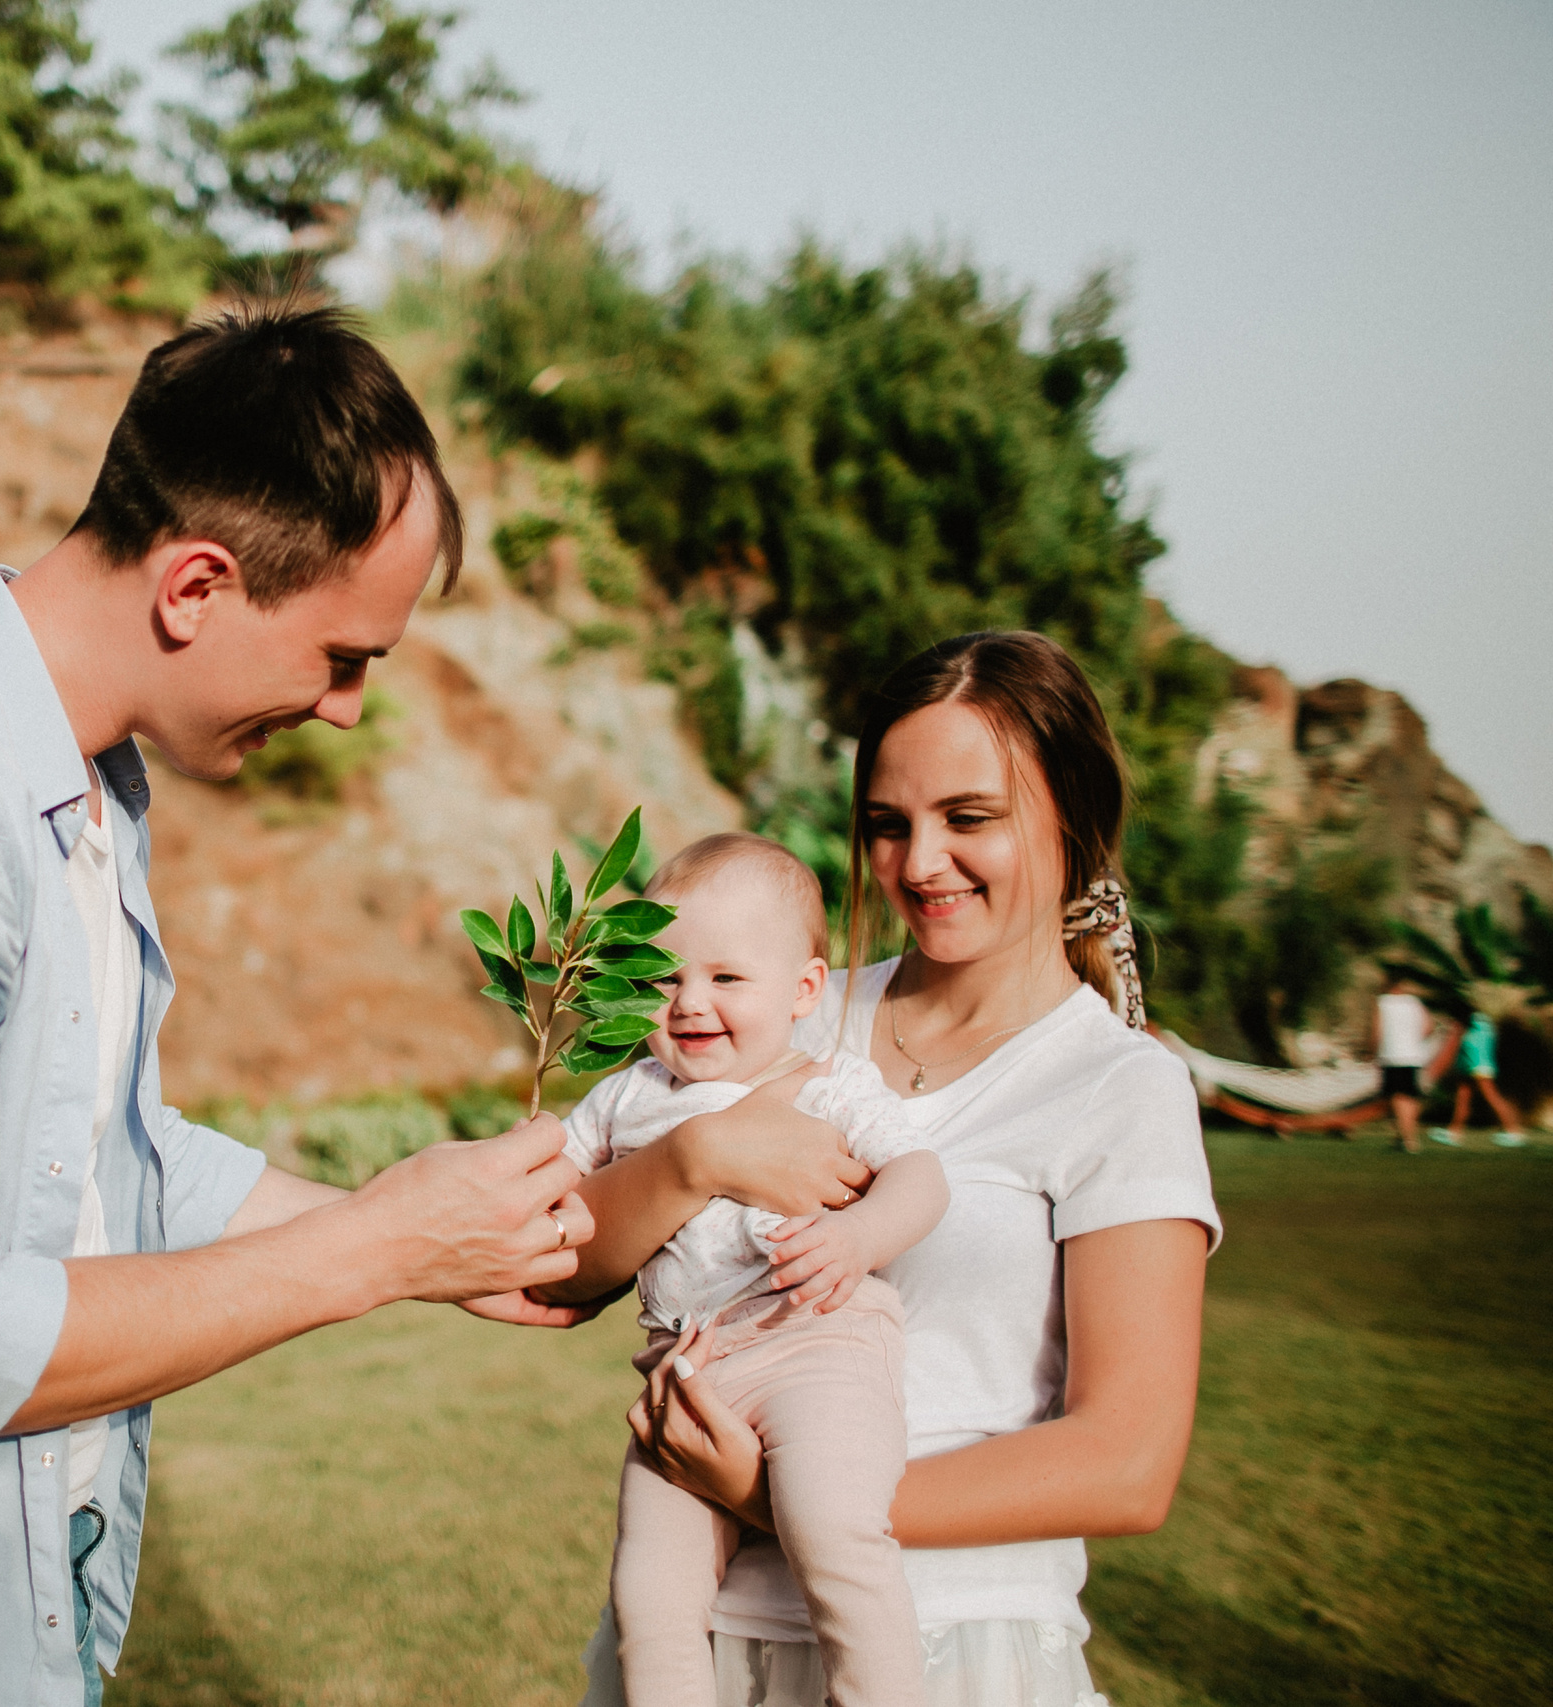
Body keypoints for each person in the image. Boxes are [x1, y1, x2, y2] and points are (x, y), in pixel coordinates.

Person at [0, 306, 676, 1707]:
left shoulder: (86, 782)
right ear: (197, 586)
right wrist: (378, 1253)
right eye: (343, 656)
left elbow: (107, 1151)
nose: (345, 710)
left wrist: (413, 1221)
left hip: (11, 1592)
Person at [549, 631, 1221, 1707]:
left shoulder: (1117, 1086)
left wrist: (785, 1499)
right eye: (886, 825)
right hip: (707, 1643)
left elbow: (1125, 1463)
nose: (917, 864)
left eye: (968, 819)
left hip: (953, 1646)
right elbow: (570, 1272)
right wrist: (697, 1156)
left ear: (1071, 814)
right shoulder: (774, 1001)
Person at [560, 833, 947, 1706]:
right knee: (649, 1594)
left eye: (726, 978)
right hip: (686, 1374)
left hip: (815, 1344)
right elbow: (564, 1186)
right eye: (665, 978)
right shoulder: (629, 1094)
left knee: (836, 1531)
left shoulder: (829, 1084)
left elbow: (922, 1177)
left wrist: (860, 1237)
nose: (689, 1002)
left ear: (806, 989)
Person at [1441, 1009, 1528, 1147]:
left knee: (1492, 1098)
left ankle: (1514, 1132)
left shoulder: (1473, 1026)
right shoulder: (1483, 1023)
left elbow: (1469, 1046)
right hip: (1473, 1066)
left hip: (1478, 1067)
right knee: (1463, 1098)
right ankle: (1454, 1132)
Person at [1372, 973, 1436, 1151]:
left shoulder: (1383, 1002)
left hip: (1392, 1055)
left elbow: (1377, 1031)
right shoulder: (1415, 1003)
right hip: (1414, 1055)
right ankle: (1402, 1136)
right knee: (1411, 1097)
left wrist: (1371, 1051)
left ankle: (1409, 1139)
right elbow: (1429, 1027)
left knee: (1398, 1096)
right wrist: (1414, 1041)